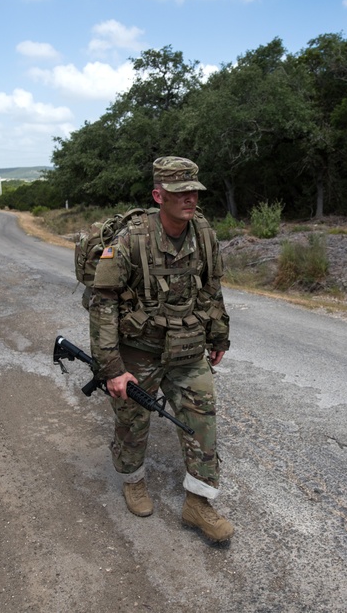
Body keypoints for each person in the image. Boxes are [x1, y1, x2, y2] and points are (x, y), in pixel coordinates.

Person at [88, 156, 233, 542]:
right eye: (179, 192)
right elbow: (103, 306)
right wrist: (112, 368)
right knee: (133, 421)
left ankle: (199, 503)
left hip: (187, 349)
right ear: (159, 195)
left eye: (193, 192)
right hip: (139, 350)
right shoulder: (130, 240)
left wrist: (219, 336)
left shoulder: (204, 235)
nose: (189, 199)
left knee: (203, 418)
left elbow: (212, 288)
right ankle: (133, 479)